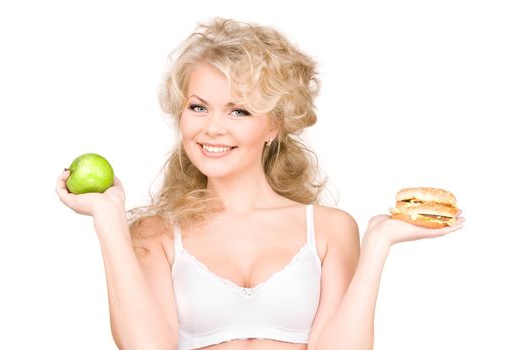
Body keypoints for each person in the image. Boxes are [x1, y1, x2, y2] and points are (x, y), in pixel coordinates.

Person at [56, 18, 465, 350]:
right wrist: (108, 220)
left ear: (274, 125)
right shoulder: (155, 234)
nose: (212, 128)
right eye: (198, 107)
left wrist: (378, 243)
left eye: (239, 111)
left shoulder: (328, 229)